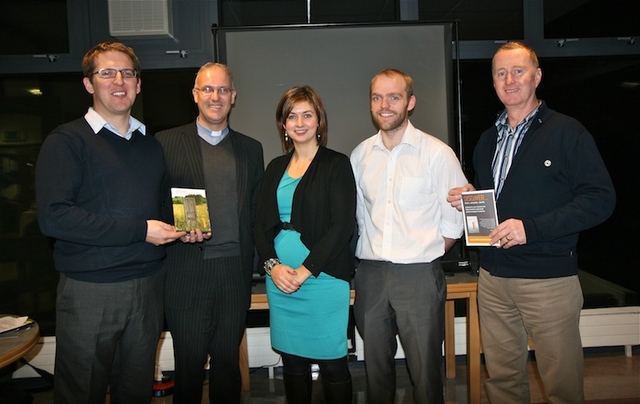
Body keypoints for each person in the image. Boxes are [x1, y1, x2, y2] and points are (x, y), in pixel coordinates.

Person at [447, 42, 616, 403]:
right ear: (493, 81)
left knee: (562, 386)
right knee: (503, 381)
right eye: (500, 73)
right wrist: (472, 196)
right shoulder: (488, 139)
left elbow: (600, 199)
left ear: (537, 76)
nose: (509, 80)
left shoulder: (567, 132)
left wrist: (531, 228)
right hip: (493, 280)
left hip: (549, 282)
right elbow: (502, 198)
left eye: (518, 71)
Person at [35, 41, 185, 403]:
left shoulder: (149, 145)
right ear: (89, 84)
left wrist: (183, 226)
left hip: (147, 288)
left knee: (134, 392)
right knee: (80, 392)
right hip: (91, 291)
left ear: (138, 83)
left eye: (128, 73)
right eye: (107, 73)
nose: (119, 81)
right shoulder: (67, 141)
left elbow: (157, 209)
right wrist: (142, 231)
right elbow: (55, 217)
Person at [350, 68, 467, 404]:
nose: (384, 105)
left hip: (418, 275)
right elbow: (359, 216)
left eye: (394, 96)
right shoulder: (361, 155)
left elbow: (453, 221)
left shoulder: (437, 153)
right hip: (371, 277)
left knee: (426, 375)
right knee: (375, 374)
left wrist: (424, 251)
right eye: (377, 97)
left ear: (410, 102)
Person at [154, 62, 264, 403]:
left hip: (234, 271)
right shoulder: (166, 142)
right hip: (186, 271)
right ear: (195, 95)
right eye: (207, 89)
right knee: (187, 365)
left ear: (233, 97)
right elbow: (155, 204)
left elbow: (256, 212)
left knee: (227, 364)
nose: (215, 97)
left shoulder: (251, 148)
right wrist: (175, 231)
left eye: (222, 90)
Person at [253, 86, 356, 404]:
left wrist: (304, 271)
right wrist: (273, 267)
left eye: (307, 115)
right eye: (291, 116)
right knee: (293, 361)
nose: (299, 122)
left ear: (319, 121)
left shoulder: (336, 165)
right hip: (280, 281)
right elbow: (259, 225)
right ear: (283, 125)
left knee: (332, 361)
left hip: (323, 281)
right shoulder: (273, 168)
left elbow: (343, 227)